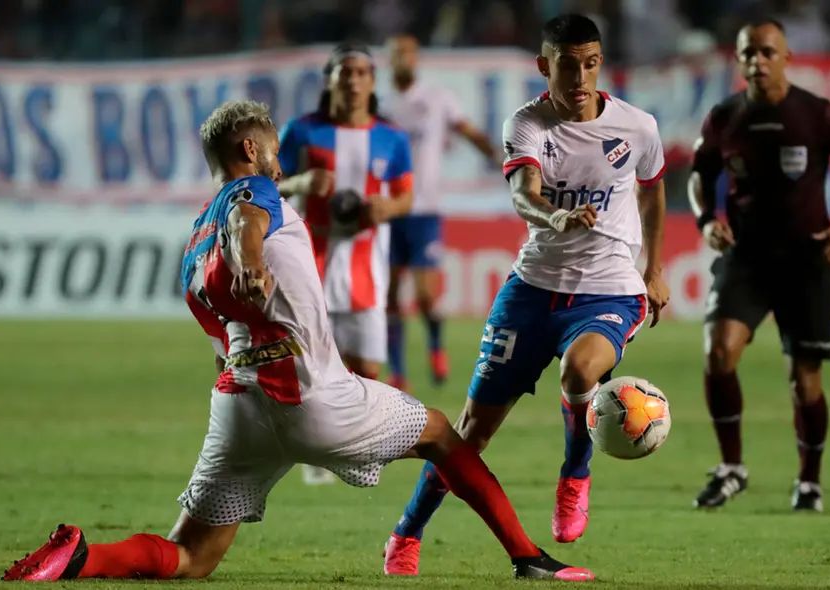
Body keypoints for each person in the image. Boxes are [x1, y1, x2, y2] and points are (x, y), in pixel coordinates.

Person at [1, 99, 593, 583]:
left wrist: (245, 269)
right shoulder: (251, 193)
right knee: (441, 432)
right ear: (252, 150)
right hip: (310, 394)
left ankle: (79, 556)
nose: (280, 168)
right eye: (275, 154)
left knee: (192, 560)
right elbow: (247, 225)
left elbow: (217, 326)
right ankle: (528, 557)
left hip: (238, 404)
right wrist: (251, 261)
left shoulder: (191, 240)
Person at [383, 14, 670, 576]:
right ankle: (407, 532)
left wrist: (654, 269)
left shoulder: (638, 127)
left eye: (590, 63)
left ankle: (575, 474)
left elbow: (654, 192)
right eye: (568, 64)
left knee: (581, 372)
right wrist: (556, 215)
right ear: (546, 65)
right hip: (533, 290)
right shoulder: (528, 124)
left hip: (608, 288)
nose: (581, 76)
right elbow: (524, 195)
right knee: (470, 433)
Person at [687, 19, 830, 512]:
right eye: (749, 53)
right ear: (739, 60)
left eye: (768, 52)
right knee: (718, 352)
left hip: (807, 261)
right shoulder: (725, 117)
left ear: (787, 57)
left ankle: (809, 480)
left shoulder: (816, 115)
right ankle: (731, 468)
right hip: (746, 258)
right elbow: (699, 176)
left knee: (804, 380)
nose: (758, 61)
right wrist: (707, 219)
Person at [276, 43, 413, 486]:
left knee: (367, 366)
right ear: (330, 80)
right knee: (311, 362)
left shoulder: (392, 138)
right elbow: (267, 185)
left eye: (360, 73)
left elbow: (406, 196)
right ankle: (316, 451)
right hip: (310, 262)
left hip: (365, 269)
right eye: (344, 72)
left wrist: (384, 210)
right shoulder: (302, 131)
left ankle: (350, 447)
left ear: (372, 82)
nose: (353, 81)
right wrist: (302, 181)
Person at [379, 34, 502, 391]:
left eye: (409, 52)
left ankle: (435, 347)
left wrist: (498, 156)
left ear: (417, 59)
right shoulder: (382, 106)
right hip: (390, 210)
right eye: (397, 53)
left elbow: (467, 131)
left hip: (426, 210)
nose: (403, 58)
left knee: (425, 297)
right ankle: (398, 371)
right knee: (388, 297)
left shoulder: (437, 99)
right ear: (389, 60)